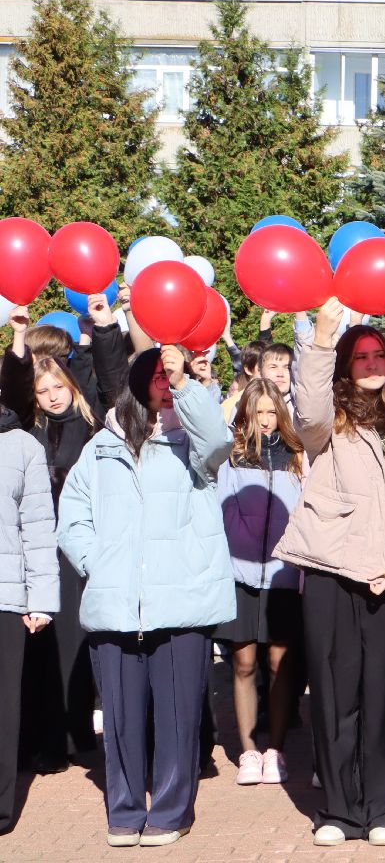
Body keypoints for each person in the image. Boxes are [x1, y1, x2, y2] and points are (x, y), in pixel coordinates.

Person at [272, 298, 385, 847]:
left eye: (378, 357)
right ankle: (341, 811)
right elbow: (309, 407)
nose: (371, 365)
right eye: (360, 357)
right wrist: (323, 339)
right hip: (332, 572)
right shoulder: (327, 424)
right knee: (334, 693)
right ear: (347, 366)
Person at [56, 346, 235, 847]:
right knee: (121, 719)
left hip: (182, 603)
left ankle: (172, 811)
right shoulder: (101, 446)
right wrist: (99, 563)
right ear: (135, 383)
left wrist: (184, 382)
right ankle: (126, 809)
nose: (163, 381)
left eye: (169, 374)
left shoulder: (194, 444)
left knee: (178, 717)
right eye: (155, 374)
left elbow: (219, 440)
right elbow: (72, 517)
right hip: (115, 604)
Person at [7, 294, 126, 773]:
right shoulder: (28, 429)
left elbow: (116, 380)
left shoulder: (97, 418)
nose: (52, 395)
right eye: (42, 389)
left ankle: (79, 733)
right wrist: (17, 339)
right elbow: (12, 391)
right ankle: (43, 739)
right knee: (39, 648)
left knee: (78, 644)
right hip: (35, 551)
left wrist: (103, 328)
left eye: (58, 385)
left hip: (84, 547)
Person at [216, 379, 305, 788]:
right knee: (244, 661)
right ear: (246, 414)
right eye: (258, 412)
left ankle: (276, 751)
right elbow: (220, 515)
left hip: (285, 577)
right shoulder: (231, 460)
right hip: (240, 575)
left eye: (272, 412)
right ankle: (249, 751)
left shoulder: (296, 457)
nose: (266, 421)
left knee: (278, 663)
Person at [0, 405, 54, 836]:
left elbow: (37, 526)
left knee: (3, 705)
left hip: (6, 595)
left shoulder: (22, 446)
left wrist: (41, 599)